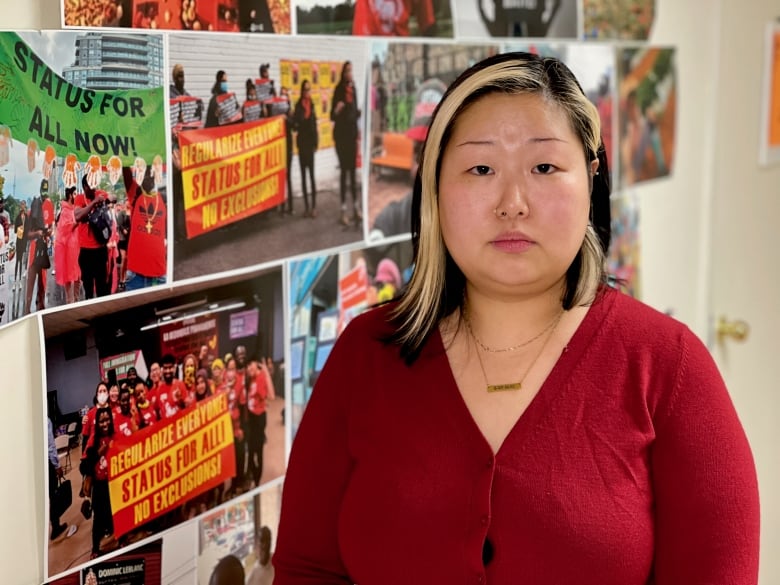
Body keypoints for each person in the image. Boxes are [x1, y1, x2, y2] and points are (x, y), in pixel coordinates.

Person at [273, 52, 760, 584]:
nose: (512, 203)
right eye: (480, 169)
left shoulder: (670, 366)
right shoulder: (367, 352)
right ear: (436, 185)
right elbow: (307, 568)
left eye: (544, 167)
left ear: (591, 177)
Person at [80, 407, 115, 560]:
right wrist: (98, 452)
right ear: (97, 423)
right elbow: (84, 466)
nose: (105, 423)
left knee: (113, 514)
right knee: (98, 519)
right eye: (102, 421)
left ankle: (119, 539)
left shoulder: (116, 437)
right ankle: (95, 549)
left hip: (114, 484)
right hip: (99, 486)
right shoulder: (93, 440)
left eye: (107, 420)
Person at [331, 61, 361, 226]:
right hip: (341, 138)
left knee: (353, 173)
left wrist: (358, 113)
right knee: (344, 173)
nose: (350, 74)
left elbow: (354, 114)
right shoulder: (338, 90)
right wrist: (337, 109)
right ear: (343, 73)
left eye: (351, 70)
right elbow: (332, 116)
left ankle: (356, 209)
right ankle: (343, 210)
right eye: (347, 71)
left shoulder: (354, 90)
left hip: (352, 136)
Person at [75, 174, 111, 300]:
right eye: (91, 185)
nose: (94, 188)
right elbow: (78, 216)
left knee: (102, 289)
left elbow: (112, 197)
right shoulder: (79, 198)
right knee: (88, 291)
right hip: (86, 252)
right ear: (85, 187)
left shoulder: (99, 193)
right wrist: (94, 203)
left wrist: (107, 199)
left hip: (100, 250)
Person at [48, 417, 77, 541]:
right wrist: (57, 465)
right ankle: (55, 527)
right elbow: (50, 445)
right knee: (53, 494)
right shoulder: (45, 421)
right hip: (47, 464)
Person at [293, 79, 319, 218]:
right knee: (303, 177)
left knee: (312, 176)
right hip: (302, 144)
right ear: (302, 91)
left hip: (310, 145)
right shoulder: (298, 106)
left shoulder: (313, 105)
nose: (307, 92)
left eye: (309, 89)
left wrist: (316, 143)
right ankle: (307, 207)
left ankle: (314, 207)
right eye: (305, 89)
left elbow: (315, 125)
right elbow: (296, 124)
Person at [54, 186, 81, 304]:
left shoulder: (75, 209)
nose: (76, 196)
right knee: (69, 276)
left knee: (77, 276)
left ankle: (76, 299)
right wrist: (77, 221)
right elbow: (65, 228)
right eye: (75, 194)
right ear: (70, 195)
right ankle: (70, 302)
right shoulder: (65, 211)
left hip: (76, 248)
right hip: (68, 249)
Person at [13, 201, 27, 290]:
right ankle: (15, 282)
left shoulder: (26, 217)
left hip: (24, 242)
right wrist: (19, 229)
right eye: (21, 205)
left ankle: (20, 281)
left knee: (21, 261)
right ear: (20, 206)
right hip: (19, 240)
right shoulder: (18, 218)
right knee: (17, 262)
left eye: (24, 205)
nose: (23, 207)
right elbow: (14, 230)